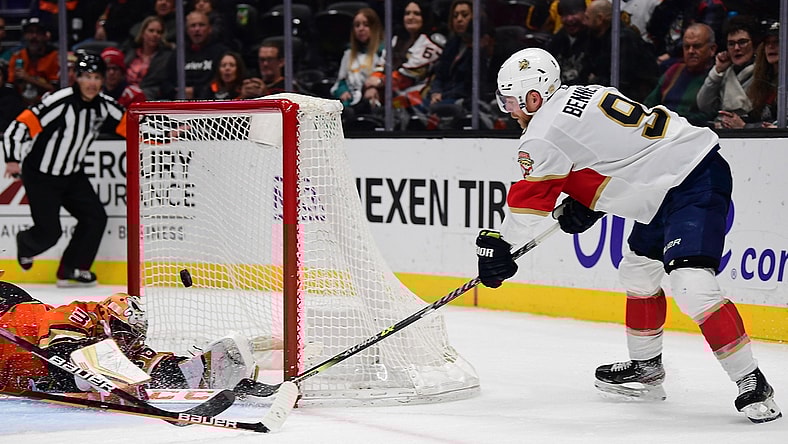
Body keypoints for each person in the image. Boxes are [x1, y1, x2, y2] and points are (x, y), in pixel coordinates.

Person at [477, 47, 781, 423]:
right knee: (637, 272)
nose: (509, 111)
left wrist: (500, 246)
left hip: (692, 181)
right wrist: (589, 200)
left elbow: (528, 204)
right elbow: (626, 152)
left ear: (534, 97)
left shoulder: (542, 132)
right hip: (666, 184)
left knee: (692, 285)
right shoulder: (585, 93)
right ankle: (646, 369)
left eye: (511, 102)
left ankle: (751, 381)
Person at [3, 53, 126, 288]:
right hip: (41, 175)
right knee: (50, 233)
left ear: (103, 80)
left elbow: (133, 126)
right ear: (77, 78)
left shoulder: (105, 106)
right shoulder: (59, 101)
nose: (92, 83)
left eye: (97, 77)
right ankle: (26, 243)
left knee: (95, 217)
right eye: (87, 76)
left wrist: (166, 133)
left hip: (72, 176)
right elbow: (21, 125)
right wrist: (11, 158)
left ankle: (73, 268)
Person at [0, 285, 254, 394]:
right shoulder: (80, 313)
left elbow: (148, 362)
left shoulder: (121, 345)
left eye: (130, 338)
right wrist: (91, 373)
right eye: (121, 333)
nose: (125, 342)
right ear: (108, 319)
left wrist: (194, 368)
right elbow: (61, 353)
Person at [369, 0, 445, 118]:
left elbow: (407, 76)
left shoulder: (432, 42)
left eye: (416, 14)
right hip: (391, 97)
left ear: (424, 17)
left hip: (420, 102)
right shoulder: (396, 40)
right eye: (407, 13)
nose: (411, 17)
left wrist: (379, 82)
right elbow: (381, 65)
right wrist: (372, 87)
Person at [642, 23, 718, 127]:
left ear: (712, 49)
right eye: (687, 47)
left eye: (697, 46)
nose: (691, 51)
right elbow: (648, 106)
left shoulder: (717, 76)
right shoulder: (674, 70)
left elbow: (712, 113)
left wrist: (673, 121)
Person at [583, 0, 658, 102]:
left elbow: (622, 80)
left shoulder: (624, 39)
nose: (584, 22)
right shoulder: (593, 36)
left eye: (587, 18)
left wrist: (594, 81)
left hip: (631, 97)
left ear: (600, 19)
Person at [716, 20, 780, 129]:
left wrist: (744, 126)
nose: (771, 46)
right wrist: (731, 121)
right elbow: (756, 117)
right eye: (767, 43)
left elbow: (780, 127)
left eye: (777, 42)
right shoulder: (763, 80)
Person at [695, 14, 757, 120]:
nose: (736, 48)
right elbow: (704, 105)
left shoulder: (763, 72)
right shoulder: (725, 72)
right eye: (731, 44)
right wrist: (717, 71)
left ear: (754, 45)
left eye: (742, 42)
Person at [330, 7, 386, 122]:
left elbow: (390, 78)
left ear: (374, 27)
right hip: (351, 105)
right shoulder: (348, 54)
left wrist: (375, 87)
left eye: (366, 25)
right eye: (357, 25)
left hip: (376, 105)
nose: (361, 29)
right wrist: (342, 90)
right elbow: (341, 81)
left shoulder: (383, 52)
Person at [161, 10, 229, 100]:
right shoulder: (179, 53)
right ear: (187, 30)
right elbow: (165, 82)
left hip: (208, 101)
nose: (197, 29)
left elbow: (221, 83)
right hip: (179, 101)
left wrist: (197, 91)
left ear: (210, 29)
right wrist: (176, 92)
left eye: (201, 25)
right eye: (193, 26)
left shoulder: (220, 52)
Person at [8, 17, 59, 106]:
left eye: (38, 33)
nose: (34, 36)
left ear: (45, 35)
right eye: (30, 32)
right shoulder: (17, 56)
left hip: (48, 104)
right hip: (21, 104)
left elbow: (55, 89)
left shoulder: (54, 56)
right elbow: (10, 86)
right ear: (24, 35)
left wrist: (28, 78)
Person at [124, 15, 174, 101]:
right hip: (125, 95)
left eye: (159, 32)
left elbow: (161, 86)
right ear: (143, 33)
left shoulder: (167, 57)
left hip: (149, 98)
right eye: (151, 31)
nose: (155, 35)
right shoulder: (130, 53)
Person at [545, 0, 590, 86]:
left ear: (585, 13)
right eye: (565, 15)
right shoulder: (556, 41)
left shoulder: (594, 38)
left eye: (573, 13)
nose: (569, 19)